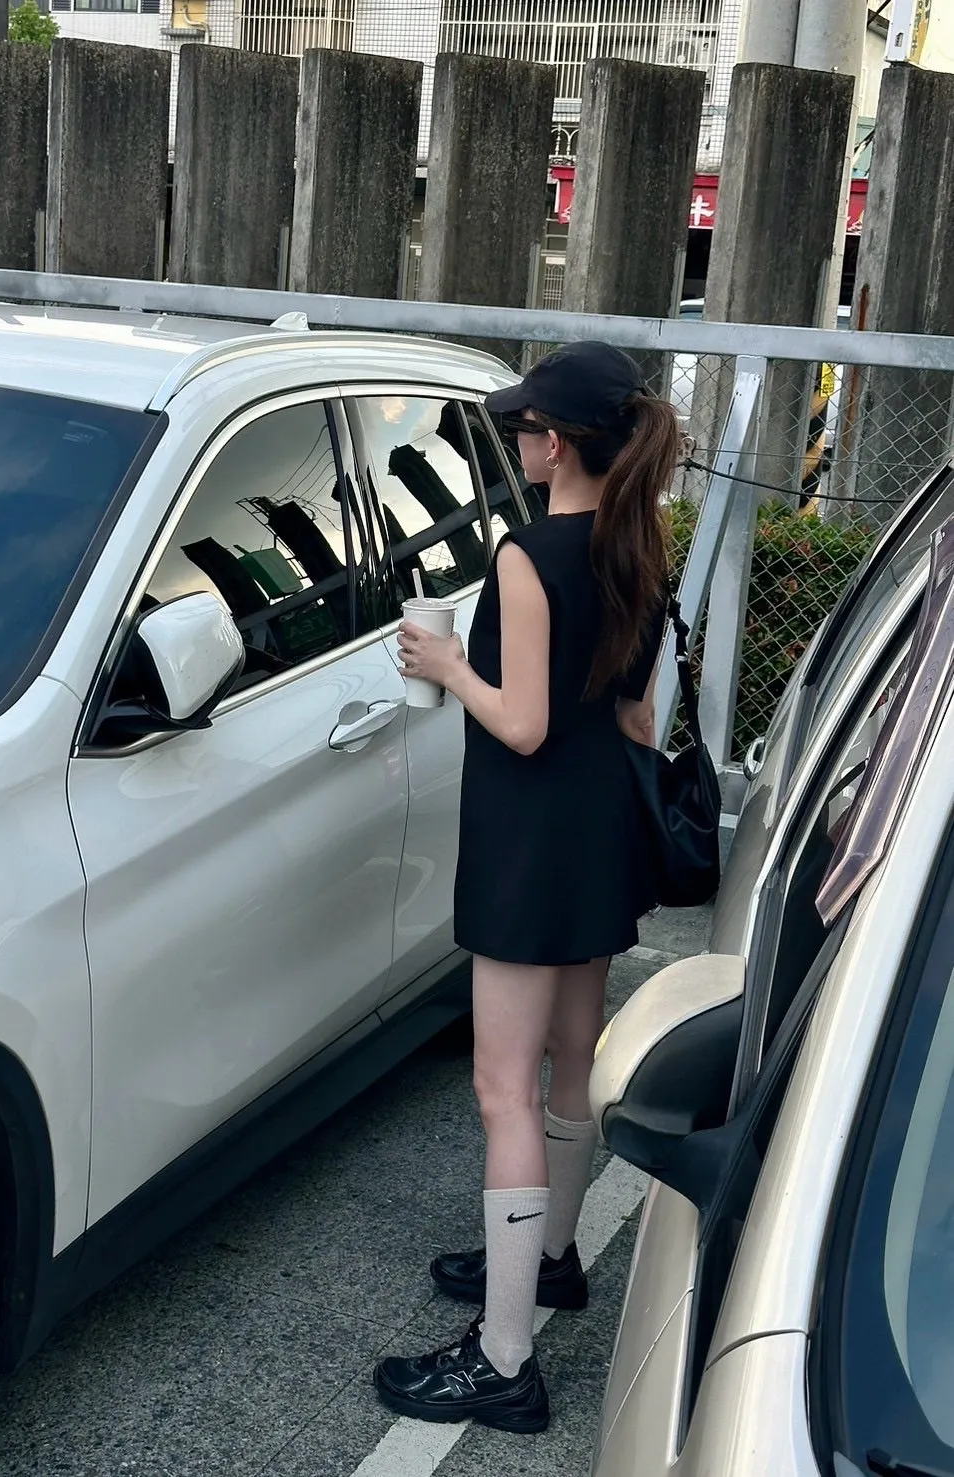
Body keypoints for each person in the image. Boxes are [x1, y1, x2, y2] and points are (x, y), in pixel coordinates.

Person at [372, 341, 679, 1434]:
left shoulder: (528, 553)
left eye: (524, 427)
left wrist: (446, 666)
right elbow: (635, 717)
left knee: (501, 1087)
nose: (517, 441)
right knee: (570, 1061)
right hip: (601, 833)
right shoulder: (638, 545)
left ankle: (503, 1359)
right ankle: (550, 1257)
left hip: (528, 839)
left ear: (557, 443)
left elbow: (524, 723)